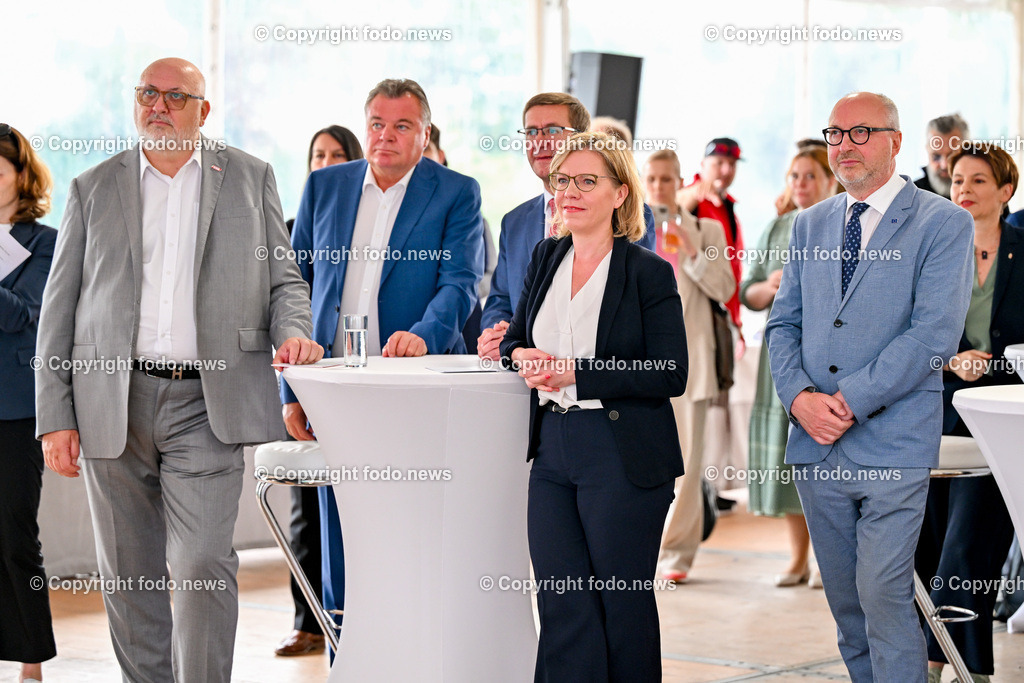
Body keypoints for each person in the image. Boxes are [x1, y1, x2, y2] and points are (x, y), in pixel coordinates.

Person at [35, 58, 323, 683]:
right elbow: (58, 308)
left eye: (174, 95)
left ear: (202, 109)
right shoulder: (92, 186)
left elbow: (284, 280)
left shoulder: (248, 177)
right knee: (129, 572)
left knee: (200, 566)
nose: (157, 105)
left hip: (207, 400)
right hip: (112, 399)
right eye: (147, 93)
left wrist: (295, 333)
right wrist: (54, 415)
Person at [766, 92, 974, 682]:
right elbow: (784, 323)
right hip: (816, 443)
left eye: (861, 132)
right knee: (849, 609)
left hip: (893, 441)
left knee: (883, 595)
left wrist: (848, 402)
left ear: (895, 141)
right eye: (835, 134)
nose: (845, 146)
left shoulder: (943, 222)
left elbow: (933, 334)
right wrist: (801, 399)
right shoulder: (811, 224)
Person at [280, 78, 485, 648]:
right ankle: (345, 652)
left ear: (425, 133)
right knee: (338, 527)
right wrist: (291, 391)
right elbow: (292, 288)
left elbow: (461, 283)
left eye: (402, 126)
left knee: (411, 529)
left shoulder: (455, 192)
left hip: (411, 389)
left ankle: (413, 650)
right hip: (333, 389)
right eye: (376, 123)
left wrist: (424, 335)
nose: (386, 136)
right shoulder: (324, 187)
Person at [500, 131, 687, 682]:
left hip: (622, 453)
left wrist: (576, 372)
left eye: (588, 181)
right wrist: (522, 356)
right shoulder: (545, 255)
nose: (571, 191)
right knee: (562, 606)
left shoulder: (648, 271)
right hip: (553, 451)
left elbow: (669, 373)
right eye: (563, 180)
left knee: (619, 606)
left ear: (621, 194)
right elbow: (514, 339)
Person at [917, 142, 1022, 683]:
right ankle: (951, 666)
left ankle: (957, 667)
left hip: (1002, 419)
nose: (964, 190)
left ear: (1006, 191)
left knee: (969, 548)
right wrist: (950, 359)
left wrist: (998, 363)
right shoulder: (932, 253)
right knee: (928, 549)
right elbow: (907, 336)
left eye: (979, 180)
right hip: (933, 414)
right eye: (958, 180)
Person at [477, 93, 655, 361]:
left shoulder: (627, 212)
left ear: (581, 137)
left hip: (595, 378)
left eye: (552, 130)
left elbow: (629, 304)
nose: (540, 141)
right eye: (532, 132)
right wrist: (496, 335)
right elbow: (500, 299)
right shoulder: (514, 221)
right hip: (519, 377)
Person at [276, 124, 362, 658]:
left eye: (335, 155)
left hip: (353, 384)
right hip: (305, 384)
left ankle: (348, 622)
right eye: (317, 155)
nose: (325, 163)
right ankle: (308, 619)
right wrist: (290, 387)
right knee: (306, 509)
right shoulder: (294, 228)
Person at [741, 145, 838, 588]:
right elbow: (749, 292)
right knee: (787, 458)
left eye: (810, 175)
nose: (800, 183)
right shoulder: (778, 227)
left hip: (825, 359)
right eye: (794, 176)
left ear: (829, 180)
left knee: (824, 458)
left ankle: (827, 559)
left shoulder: (842, 223)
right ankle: (797, 558)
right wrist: (770, 285)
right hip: (781, 358)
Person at [644, 149, 735, 583]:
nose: (660, 187)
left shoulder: (707, 228)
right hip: (638, 363)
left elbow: (724, 287)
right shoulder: (629, 231)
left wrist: (693, 249)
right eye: (653, 179)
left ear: (681, 181)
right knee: (644, 464)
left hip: (690, 362)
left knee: (688, 462)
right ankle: (642, 547)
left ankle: (676, 554)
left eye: (667, 179)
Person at [0, 123, 57, 683]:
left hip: (15, 410)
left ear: (21, 176)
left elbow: (22, 314)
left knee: (16, 534)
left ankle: (31, 658)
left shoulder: (46, 242)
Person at [915, 113, 969, 199]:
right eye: (936, 157)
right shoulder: (912, 196)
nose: (944, 165)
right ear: (927, 150)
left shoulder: (986, 195)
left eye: (952, 156)